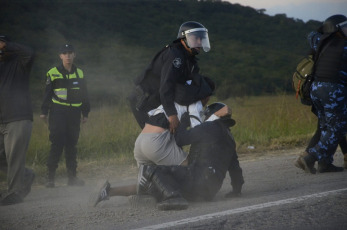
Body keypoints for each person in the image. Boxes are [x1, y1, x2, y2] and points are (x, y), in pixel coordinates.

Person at [91, 103, 244, 210]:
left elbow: (181, 139)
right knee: (156, 182)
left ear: (210, 115)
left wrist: (180, 122)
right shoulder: (230, 140)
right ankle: (109, 192)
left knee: (151, 170)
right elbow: (236, 171)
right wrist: (236, 191)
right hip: (208, 191)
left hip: (196, 180)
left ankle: (173, 198)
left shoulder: (208, 127)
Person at [128, 21, 211, 133]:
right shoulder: (175, 56)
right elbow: (166, 86)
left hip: (159, 99)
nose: (199, 42)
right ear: (183, 38)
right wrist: (172, 114)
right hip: (144, 99)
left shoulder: (190, 60)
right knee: (154, 136)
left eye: (201, 39)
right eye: (196, 38)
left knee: (170, 136)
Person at [298, 15, 347, 174]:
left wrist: (326, 28)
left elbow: (311, 34)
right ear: (337, 29)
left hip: (316, 88)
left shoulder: (320, 41)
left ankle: (325, 164)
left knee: (326, 126)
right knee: (336, 128)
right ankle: (310, 157)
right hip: (333, 89)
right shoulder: (345, 46)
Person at [40, 44, 90, 187]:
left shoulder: (80, 73)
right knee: (57, 143)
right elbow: (47, 93)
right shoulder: (53, 72)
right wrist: (44, 111)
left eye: (70, 53)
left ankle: (72, 178)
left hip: (74, 113)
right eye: (64, 53)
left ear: (74, 55)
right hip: (58, 112)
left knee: (72, 144)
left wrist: (85, 113)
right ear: (60, 56)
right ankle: (50, 178)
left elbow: (85, 95)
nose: (67, 56)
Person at [0, 35, 36, 205]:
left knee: (14, 157)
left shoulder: (19, 63)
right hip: (2, 119)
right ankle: (26, 175)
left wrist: (7, 46)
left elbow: (29, 52)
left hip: (18, 117)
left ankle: (15, 192)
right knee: (4, 157)